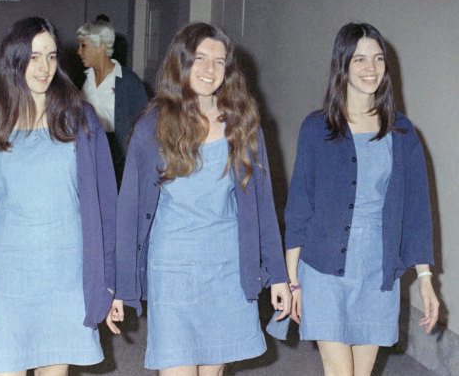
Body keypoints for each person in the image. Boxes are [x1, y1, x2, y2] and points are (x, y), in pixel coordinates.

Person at [110, 22, 291, 375]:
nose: (209, 70)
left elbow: (261, 206)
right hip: (172, 268)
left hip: (226, 266)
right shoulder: (153, 126)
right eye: (200, 59)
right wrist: (121, 285)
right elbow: (129, 212)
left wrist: (277, 274)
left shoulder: (241, 124)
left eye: (219, 61)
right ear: (181, 62)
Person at [0, 17, 117, 375]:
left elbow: (105, 209)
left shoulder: (81, 121)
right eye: (34, 57)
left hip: (66, 273)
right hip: (6, 275)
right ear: (14, 60)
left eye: (51, 56)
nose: (44, 67)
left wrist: (111, 282)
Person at [284, 22, 439, 376]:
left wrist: (426, 279)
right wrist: (293, 281)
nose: (371, 68)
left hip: (377, 269)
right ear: (342, 65)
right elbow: (299, 209)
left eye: (378, 58)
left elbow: (417, 209)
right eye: (359, 60)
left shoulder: (401, 131)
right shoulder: (316, 128)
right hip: (323, 268)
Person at [76, 20, 147, 186]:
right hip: (88, 151)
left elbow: (145, 126)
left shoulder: (129, 81)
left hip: (117, 158)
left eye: (83, 46)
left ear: (101, 46)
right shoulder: (82, 80)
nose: (79, 52)